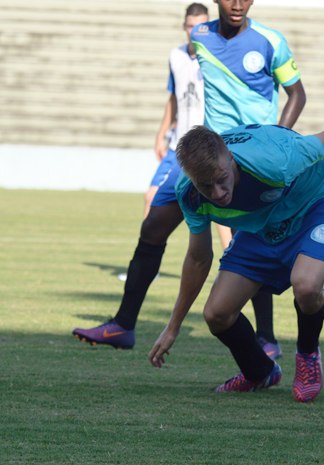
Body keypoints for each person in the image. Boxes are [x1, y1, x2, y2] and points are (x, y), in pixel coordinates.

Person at [148, 104, 324, 403]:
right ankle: (260, 371)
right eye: (207, 186)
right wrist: (173, 327)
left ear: (231, 159)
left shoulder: (274, 161)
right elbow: (198, 257)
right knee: (216, 314)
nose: (218, 193)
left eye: (222, 179)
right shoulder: (189, 194)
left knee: (306, 285)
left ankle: (308, 354)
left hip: (322, 202)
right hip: (267, 222)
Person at [73, 3, 209, 350]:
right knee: (152, 219)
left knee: (236, 230)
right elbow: (174, 97)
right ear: (183, 27)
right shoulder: (177, 57)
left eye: (201, 26)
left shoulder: (218, 54)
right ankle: (123, 325)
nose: (195, 32)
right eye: (190, 26)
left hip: (212, 150)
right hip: (181, 149)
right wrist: (163, 130)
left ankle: (266, 337)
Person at [190, 0, 307, 358]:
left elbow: (297, 94)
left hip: (254, 167)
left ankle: (271, 338)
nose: (238, 3)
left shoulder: (269, 40)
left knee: (254, 246)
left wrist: (274, 139)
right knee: (157, 224)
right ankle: (127, 322)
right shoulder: (199, 36)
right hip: (214, 162)